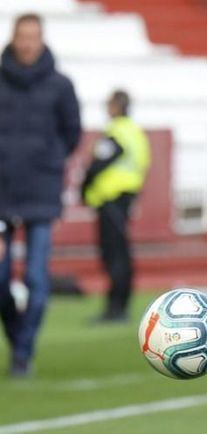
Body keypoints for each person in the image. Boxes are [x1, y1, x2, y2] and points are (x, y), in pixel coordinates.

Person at [0, 13, 81, 377]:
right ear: (14, 39)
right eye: (23, 36)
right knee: (0, 279)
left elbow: (72, 132)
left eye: (34, 36)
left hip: (41, 194)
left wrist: (48, 159)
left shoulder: (60, 85)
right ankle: (18, 339)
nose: (28, 43)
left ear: (42, 39)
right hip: (1, 194)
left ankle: (24, 350)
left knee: (36, 277)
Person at [81, 90, 150, 323]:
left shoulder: (116, 132)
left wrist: (85, 185)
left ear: (116, 106)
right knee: (122, 253)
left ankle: (115, 308)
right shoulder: (136, 133)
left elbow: (99, 162)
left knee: (114, 255)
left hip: (111, 198)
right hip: (126, 197)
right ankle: (120, 305)